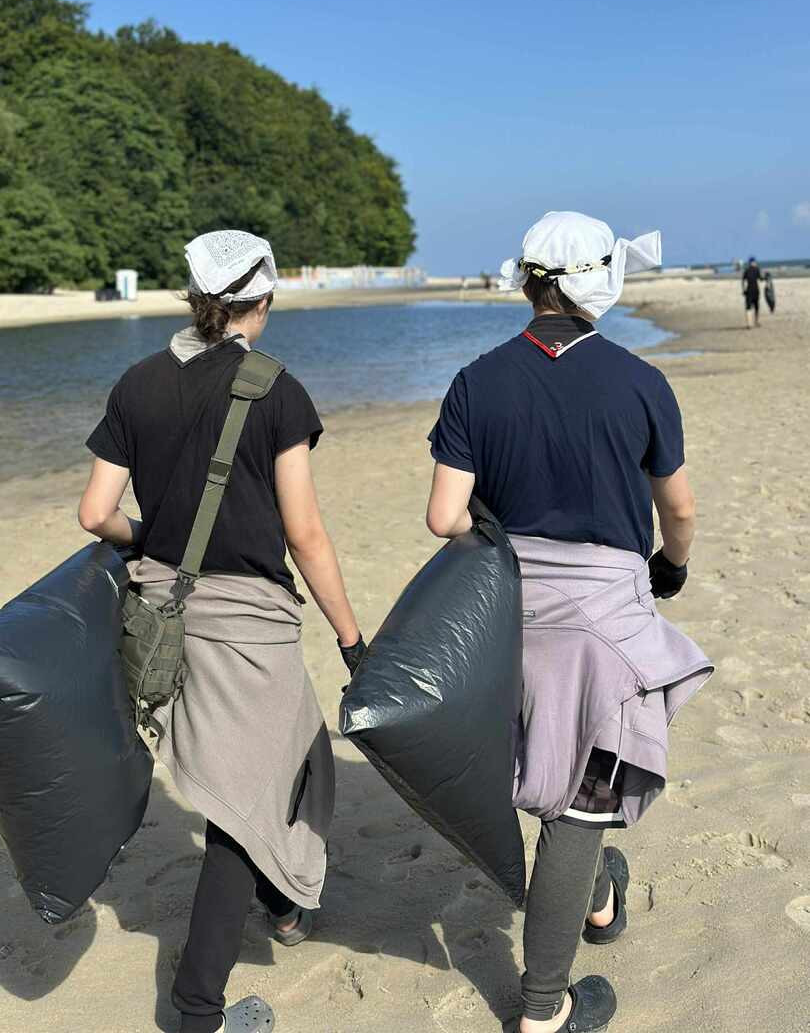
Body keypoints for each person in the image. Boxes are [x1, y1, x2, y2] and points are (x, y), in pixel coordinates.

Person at [426, 211, 712, 1033]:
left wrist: (507, 531)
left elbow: (445, 517)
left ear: (528, 283)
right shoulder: (639, 380)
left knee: (551, 777)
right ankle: (543, 1009)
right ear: (600, 282)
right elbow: (679, 511)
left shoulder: (477, 379)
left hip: (510, 611)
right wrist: (671, 566)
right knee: (580, 809)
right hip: (603, 618)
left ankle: (597, 901)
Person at [78, 230, 365, 1033]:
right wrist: (350, 639)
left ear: (196, 298)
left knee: (269, 762)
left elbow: (95, 514)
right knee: (252, 795)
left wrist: (152, 538)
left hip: (162, 614)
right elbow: (305, 534)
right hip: (248, 621)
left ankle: (283, 908)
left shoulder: (137, 383)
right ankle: (199, 1007)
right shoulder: (275, 389)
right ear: (260, 302)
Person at [742, 256, 762, 328]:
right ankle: (756, 322)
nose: (755, 263)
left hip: (748, 291)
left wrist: (743, 290)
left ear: (749, 263)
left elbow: (743, 281)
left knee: (748, 307)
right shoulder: (757, 269)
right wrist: (767, 277)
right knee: (756, 307)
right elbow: (760, 279)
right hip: (755, 291)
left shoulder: (746, 270)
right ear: (753, 262)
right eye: (755, 262)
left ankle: (749, 324)